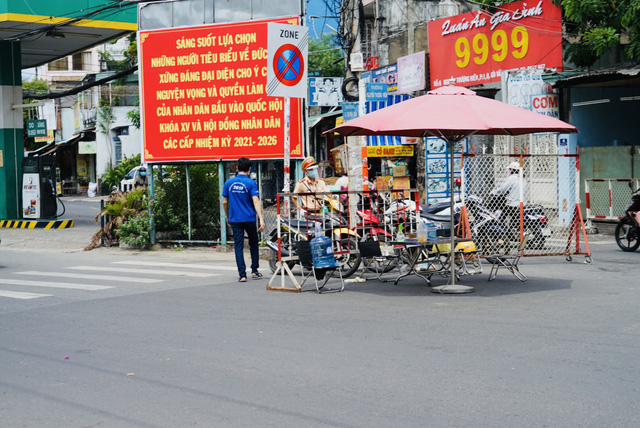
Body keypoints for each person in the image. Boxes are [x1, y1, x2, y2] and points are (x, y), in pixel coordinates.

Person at [222, 157, 266, 282]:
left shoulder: (228, 183)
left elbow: (224, 202)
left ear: (236, 168)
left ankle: (242, 274)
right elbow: (256, 201)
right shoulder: (251, 183)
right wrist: (261, 219)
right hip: (249, 218)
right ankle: (254, 271)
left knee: (238, 246)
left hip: (235, 219)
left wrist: (227, 216)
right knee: (253, 244)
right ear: (249, 168)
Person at [491, 161, 527, 230]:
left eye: (510, 169)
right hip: (522, 203)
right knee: (513, 216)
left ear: (512, 170)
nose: (509, 171)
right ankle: (512, 228)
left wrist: (494, 192)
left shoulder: (512, 178)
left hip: (512, 204)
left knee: (502, 216)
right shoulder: (523, 178)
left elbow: (503, 189)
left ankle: (502, 229)